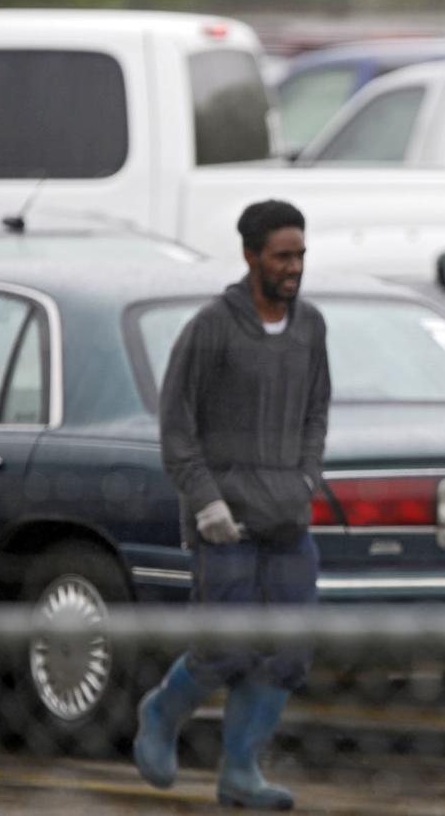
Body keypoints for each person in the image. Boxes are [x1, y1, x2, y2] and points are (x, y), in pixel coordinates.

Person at [134, 199, 330, 810]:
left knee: (288, 650)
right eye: (282, 255)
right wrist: (205, 501)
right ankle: (160, 713)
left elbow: (317, 409)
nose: (293, 266)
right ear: (250, 256)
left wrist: (306, 478)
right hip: (226, 524)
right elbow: (176, 425)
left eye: (300, 253)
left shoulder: (310, 326)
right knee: (226, 646)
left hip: (287, 520)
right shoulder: (211, 327)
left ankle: (241, 770)